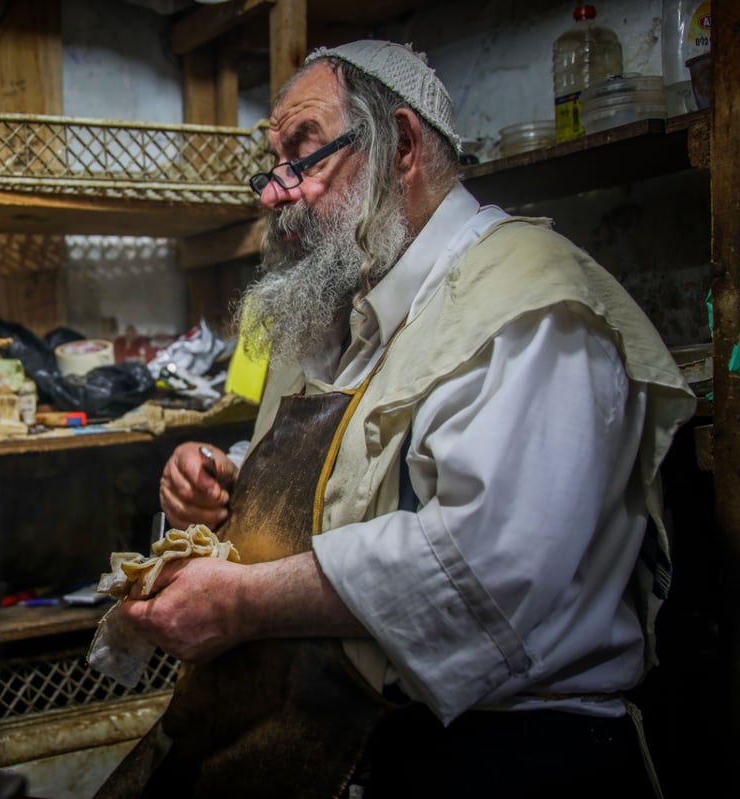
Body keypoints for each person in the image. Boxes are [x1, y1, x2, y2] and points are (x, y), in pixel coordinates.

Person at [94, 40, 696, 799]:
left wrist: (241, 602)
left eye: (304, 154)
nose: (274, 192)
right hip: (344, 725)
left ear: (403, 147)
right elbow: (349, 477)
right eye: (273, 163)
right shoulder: (347, 307)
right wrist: (221, 482)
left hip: (506, 753)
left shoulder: (528, 298)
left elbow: (487, 564)